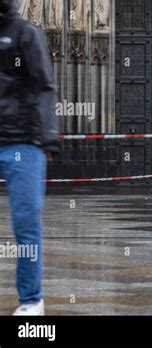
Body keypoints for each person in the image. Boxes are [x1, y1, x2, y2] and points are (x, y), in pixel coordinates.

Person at [0, 0, 60, 315]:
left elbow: (44, 87)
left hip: (22, 142)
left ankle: (31, 300)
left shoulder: (25, 33)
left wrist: (48, 139)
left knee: (26, 224)